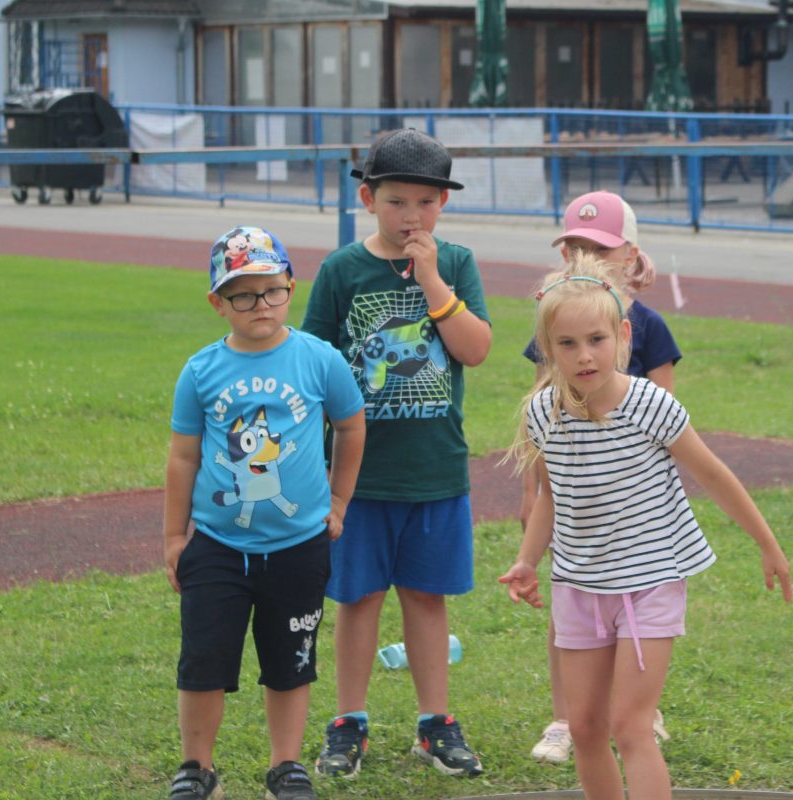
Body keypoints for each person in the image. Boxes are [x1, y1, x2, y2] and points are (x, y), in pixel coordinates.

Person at [499, 254, 792, 800]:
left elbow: (713, 475)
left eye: (596, 339)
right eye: (567, 344)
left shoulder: (651, 405)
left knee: (630, 726)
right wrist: (526, 560)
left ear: (623, 335)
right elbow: (553, 498)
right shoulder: (543, 413)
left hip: (649, 582)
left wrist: (768, 545)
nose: (585, 355)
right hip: (579, 587)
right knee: (585, 728)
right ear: (547, 348)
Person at [301, 128, 491, 779]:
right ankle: (347, 722)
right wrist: (316, 467)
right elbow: (313, 366)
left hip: (434, 468)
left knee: (427, 597)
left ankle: (435, 723)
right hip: (358, 477)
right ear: (368, 199)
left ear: (443, 203)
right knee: (357, 598)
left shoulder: (456, 263)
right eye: (397, 202)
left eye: (425, 202)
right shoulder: (341, 270)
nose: (412, 216)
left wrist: (432, 279)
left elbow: (474, 349)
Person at [163, 226, 367, 800]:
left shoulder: (319, 360)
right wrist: (174, 536)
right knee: (204, 659)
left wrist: (339, 500)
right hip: (218, 546)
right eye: (244, 295)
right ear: (218, 303)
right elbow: (183, 456)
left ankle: (285, 766)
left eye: (272, 290)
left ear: (291, 288)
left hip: (299, 546)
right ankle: (197, 768)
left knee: (291, 660)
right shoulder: (201, 371)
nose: (261, 305)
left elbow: (351, 427)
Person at [520, 190, 682, 764]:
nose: (584, 258)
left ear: (630, 254)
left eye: (600, 248)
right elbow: (541, 419)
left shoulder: (649, 326)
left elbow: (667, 423)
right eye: (574, 248)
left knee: (637, 610)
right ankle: (566, 717)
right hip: (574, 503)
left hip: (632, 512)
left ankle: (640, 712)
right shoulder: (556, 318)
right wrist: (534, 492)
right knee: (571, 607)